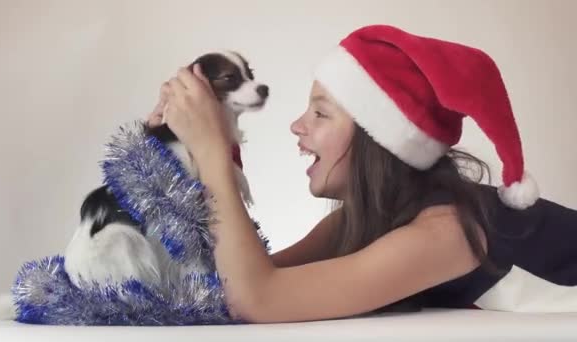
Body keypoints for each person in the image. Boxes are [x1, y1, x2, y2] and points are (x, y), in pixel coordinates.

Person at [147, 24, 577, 323]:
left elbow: (256, 299)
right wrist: (170, 149)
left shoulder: (445, 231)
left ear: (379, 140)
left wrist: (211, 150)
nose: (297, 126)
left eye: (320, 113)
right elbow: (233, 281)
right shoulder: (362, 222)